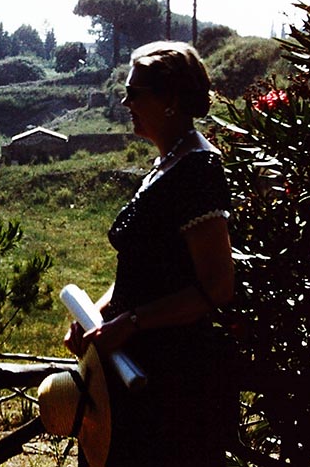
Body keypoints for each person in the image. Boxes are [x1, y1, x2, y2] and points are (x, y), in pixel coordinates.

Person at [64, 41, 239, 467]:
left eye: (134, 92)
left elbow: (217, 286)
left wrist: (134, 322)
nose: (125, 102)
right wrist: (98, 319)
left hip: (169, 380)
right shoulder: (168, 166)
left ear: (171, 99)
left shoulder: (198, 169)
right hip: (130, 370)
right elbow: (139, 271)